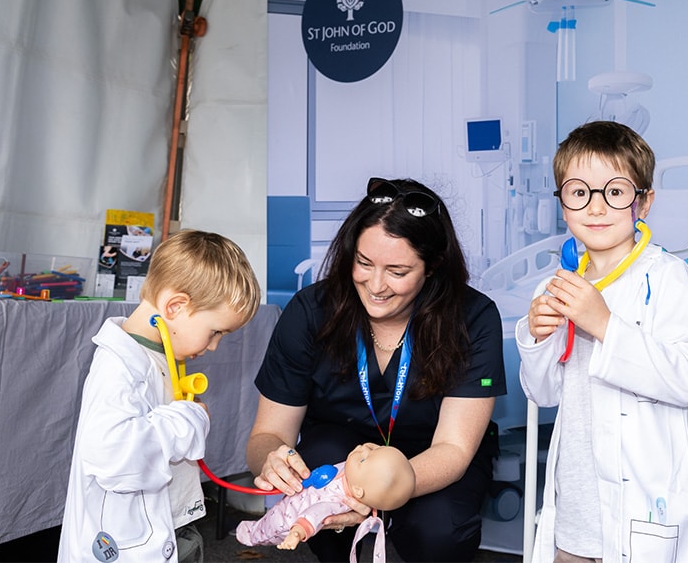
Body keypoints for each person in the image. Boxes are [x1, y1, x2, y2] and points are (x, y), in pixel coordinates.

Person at [246, 177, 506, 562]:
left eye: (398, 271)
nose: (376, 285)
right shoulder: (311, 311)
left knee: (440, 530)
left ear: (432, 266)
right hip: (342, 457)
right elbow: (267, 435)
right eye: (364, 264)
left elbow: (453, 449)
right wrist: (273, 460)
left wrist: (379, 491)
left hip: (431, 458)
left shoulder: (473, 318)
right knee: (319, 454)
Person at [517, 121, 688, 563]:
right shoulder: (555, 288)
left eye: (615, 192)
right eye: (579, 192)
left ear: (643, 202)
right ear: (563, 205)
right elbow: (544, 393)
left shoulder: (666, 277)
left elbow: (686, 379)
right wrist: (537, 336)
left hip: (647, 500)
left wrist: (604, 324)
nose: (596, 207)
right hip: (577, 502)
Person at [58, 229, 261, 563]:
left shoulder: (160, 357)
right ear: (175, 306)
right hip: (126, 545)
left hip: (168, 523)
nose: (213, 346)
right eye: (215, 332)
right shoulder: (118, 365)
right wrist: (187, 419)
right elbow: (110, 452)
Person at [236, 443, 415, 553]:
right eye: (372, 450)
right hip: (293, 500)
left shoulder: (337, 500)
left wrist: (298, 532)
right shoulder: (358, 475)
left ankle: (249, 535)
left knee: (266, 529)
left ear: (358, 492)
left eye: (363, 459)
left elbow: (315, 514)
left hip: (288, 520)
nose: (362, 449)